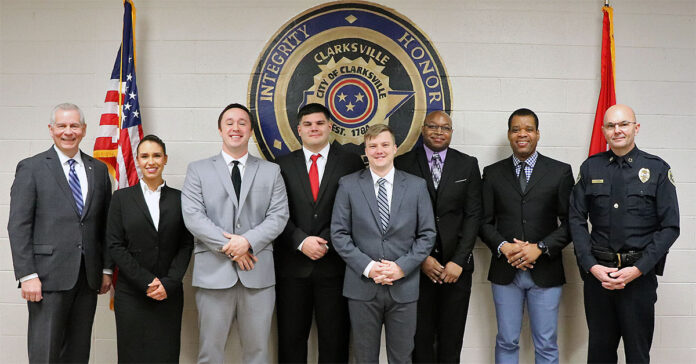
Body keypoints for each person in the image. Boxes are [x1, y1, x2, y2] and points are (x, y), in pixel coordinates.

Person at [569, 104, 679, 363]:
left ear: (636, 128)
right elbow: (576, 219)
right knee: (599, 354)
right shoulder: (590, 168)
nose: (617, 130)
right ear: (604, 131)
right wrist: (591, 266)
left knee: (638, 355)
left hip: (638, 279)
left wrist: (639, 269)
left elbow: (670, 227)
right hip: (599, 278)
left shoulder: (657, 169)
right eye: (611, 125)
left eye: (623, 124)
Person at [181, 103, 289, 364]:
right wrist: (233, 247)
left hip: (258, 276)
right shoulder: (198, 169)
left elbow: (279, 216)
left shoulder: (271, 171)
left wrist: (248, 242)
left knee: (259, 353)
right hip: (213, 275)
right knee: (210, 352)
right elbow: (193, 217)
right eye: (229, 122)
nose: (236, 128)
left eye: (242, 123)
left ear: (251, 130)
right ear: (220, 129)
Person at [7, 103, 113, 363]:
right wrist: (27, 274)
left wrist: (106, 269)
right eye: (62, 126)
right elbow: (18, 225)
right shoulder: (31, 167)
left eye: (74, 125)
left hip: (87, 278)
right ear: (51, 129)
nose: (68, 131)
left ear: (84, 129)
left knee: (78, 353)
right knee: (46, 352)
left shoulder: (98, 170)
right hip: (46, 277)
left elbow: (105, 225)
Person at [331, 124, 436, 364]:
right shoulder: (348, 185)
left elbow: (427, 234)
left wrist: (401, 267)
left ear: (395, 148)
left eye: (385, 145)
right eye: (373, 146)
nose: (379, 150)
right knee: (364, 357)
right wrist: (369, 267)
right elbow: (339, 234)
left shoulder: (416, 186)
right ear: (365, 151)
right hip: (362, 286)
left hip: (404, 285)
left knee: (401, 357)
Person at [479, 108, 573, 364]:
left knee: (546, 343)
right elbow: (483, 222)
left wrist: (540, 247)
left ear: (538, 134)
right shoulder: (492, 173)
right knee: (506, 340)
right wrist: (504, 247)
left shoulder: (560, 172)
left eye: (528, 129)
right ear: (509, 135)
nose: (522, 134)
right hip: (505, 271)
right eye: (516, 129)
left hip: (546, 270)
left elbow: (570, 224)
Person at [275, 103, 364, 363]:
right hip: (292, 267)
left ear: (330, 127)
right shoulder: (282, 164)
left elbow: (354, 209)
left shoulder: (350, 162)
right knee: (291, 340)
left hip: (334, 266)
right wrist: (300, 241)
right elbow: (277, 211)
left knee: (334, 341)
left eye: (320, 123)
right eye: (308, 124)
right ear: (299, 130)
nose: (314, 128)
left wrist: (326, 240)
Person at [395, 110, 482, 363]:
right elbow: (399, 219)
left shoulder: (467, 164)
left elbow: (473, 216)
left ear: (451, 132)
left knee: (451, 338)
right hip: (417, 268)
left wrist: (458, 261)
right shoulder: (403, 164)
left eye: (445, 128)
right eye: (433, 126)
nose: (439, 132)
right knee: (418, 338)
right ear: (423, 129)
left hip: (456, 268)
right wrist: (419, 259)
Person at [106, 135, 193, 363]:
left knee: (165, 354)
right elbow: (115, 245)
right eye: (145, 156)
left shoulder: (181, 199)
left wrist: (169, 282)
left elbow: (186, 244)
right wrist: (146, 281)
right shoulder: (121, 199)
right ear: (137, 160)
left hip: (168, 293)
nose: (150, 161)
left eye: (156, 156)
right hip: (131, 293)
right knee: (132, 355)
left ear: (165, 159)